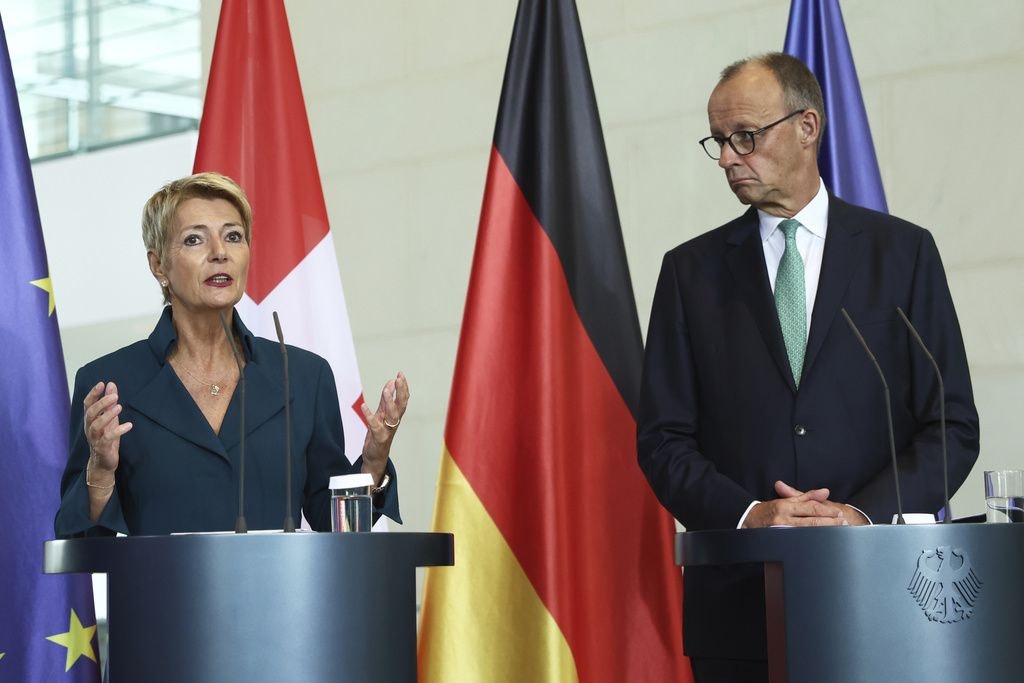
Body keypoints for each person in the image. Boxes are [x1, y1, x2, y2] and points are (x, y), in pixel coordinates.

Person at [637, 53, 979, 681]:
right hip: (739, 606)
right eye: (719, 140)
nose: (729, 158)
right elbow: (663, 439)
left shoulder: (902, 253)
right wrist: (750, 515)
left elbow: (951, 425)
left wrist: (861, 517)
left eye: (746, 135)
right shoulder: (690, 273)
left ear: (807, 127)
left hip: (882, 593)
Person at [55, 172, 409, 537]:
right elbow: (78, 539)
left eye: (233, 236)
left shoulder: (304, 375)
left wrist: (373, 461)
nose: (219, 252)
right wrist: (100, 470)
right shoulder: (111, 383)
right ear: (158, 265)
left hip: (275, 578)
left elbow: (335, 527)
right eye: (194, 239)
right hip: (161, 578)